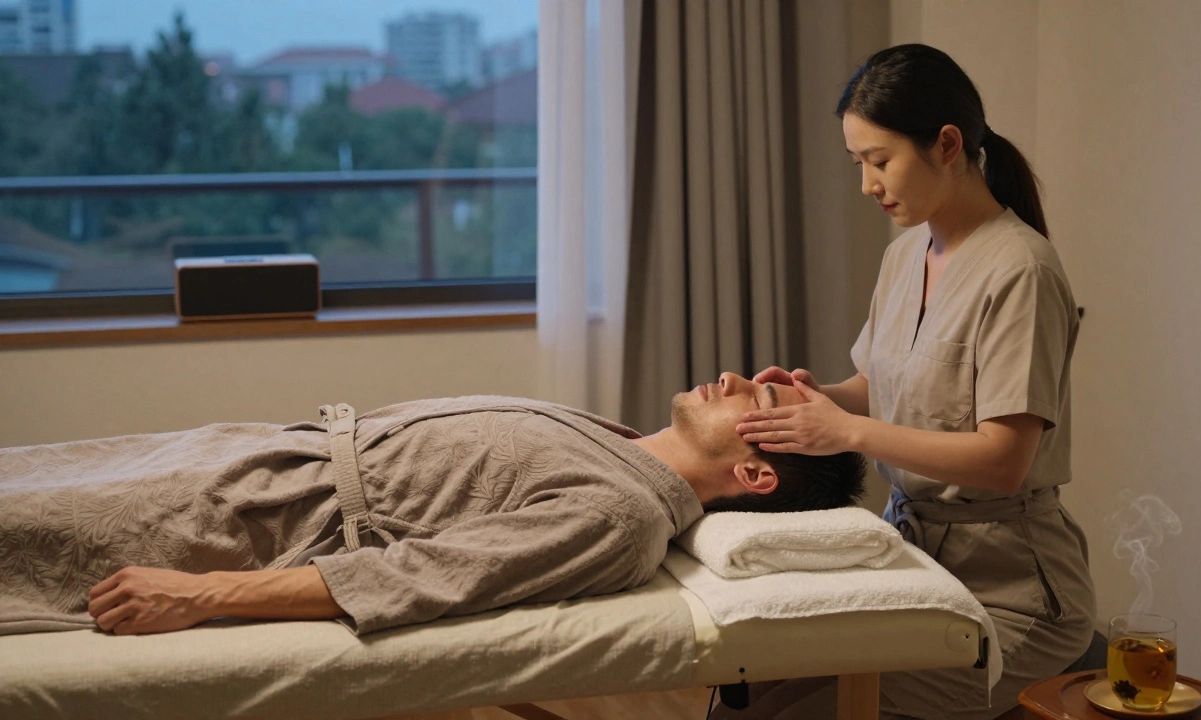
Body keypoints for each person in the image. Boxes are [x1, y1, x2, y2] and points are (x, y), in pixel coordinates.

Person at [724, 44, 1096, 720]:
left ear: (947, 145)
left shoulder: (1023, 271)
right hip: (920, 563)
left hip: (1014, 594)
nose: (868, 185)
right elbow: (882, 385)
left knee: (806, 712)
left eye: (880, 161)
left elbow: (1004, 460)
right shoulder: (904, 256)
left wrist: (847, 431)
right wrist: (817, 398)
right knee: (751, 701)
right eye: (858, 164)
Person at [0, 373, 864, 638]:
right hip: (245, 456)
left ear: (756, 474)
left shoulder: (620, 516)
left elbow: (421, 575)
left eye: (761, 399)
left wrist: (202, 594)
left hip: (248, 519)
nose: (737, 376)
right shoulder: (616, 444)